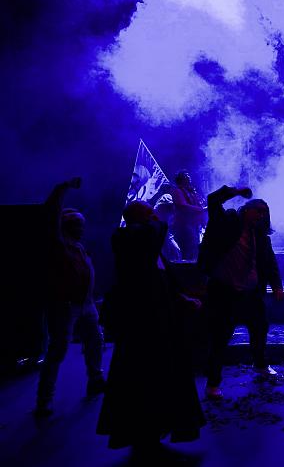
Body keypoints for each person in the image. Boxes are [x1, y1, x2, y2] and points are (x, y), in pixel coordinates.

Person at [97, 201, 205, 450]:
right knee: (141, 379)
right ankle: (143, 432)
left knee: (165, 376)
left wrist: (182, 298)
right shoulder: (125, 237)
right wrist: (159, 218)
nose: (154, 218)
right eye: (149, 214)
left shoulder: (150, 245)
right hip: (140, 325)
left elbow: (162, 280)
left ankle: (159, 427)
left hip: (161, 321)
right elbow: (148, 241)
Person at [198, 186, 284, 400]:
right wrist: (235, 191)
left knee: (259, 328)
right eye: (258, 210)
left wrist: (277, 285)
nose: (261, 216)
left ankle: (260, 364)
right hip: (224, 290)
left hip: (251, 292)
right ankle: (213, 383)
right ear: (246, 209)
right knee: (220, 336)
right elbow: (213, 200)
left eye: (264, 213)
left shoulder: (261, 237)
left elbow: (269, 263)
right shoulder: (227, 223)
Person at [35, 177, 105, 417]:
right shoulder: (58, 244)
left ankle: (95, 379)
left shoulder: (78, 246)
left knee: (95, 341)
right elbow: (50, 214)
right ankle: (44, 400)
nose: (81, 228)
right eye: (76, 224)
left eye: (82, 224)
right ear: (65, 226)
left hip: (86, 304)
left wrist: (92, 299)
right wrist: (62, 188)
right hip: (64, 306)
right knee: (57, 351)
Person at [170, 170, 206, 261]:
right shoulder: (177, 191)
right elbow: (183, 205)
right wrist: (200, 209)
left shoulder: (191, 191)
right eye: (186, 175)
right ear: (181, 179)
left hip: (193, 224)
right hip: (184, 224)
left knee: (195, 247)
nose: (189, 177)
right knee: (188, 248)